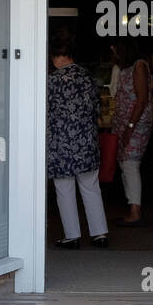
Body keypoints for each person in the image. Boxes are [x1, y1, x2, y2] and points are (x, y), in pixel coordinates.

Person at [47, 31, 109, 249]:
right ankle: (100, 234)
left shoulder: (51, 81)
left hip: (60, 144)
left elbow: (45, 113)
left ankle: (72, 236)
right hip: (86, 142)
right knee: (91, 187)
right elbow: (97, 108)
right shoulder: (87, 77)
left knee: (64, 189)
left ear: (55, 56)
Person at [110, 38, 153, 225]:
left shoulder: (139, 66)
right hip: (124, 124)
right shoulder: (124, 68)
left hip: (135, 124)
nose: (113, 53)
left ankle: (135, 210)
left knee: (130, 164)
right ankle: (132, 207)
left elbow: (141, 99)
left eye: (116, 49)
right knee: (124, 164)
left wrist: (129, 127)